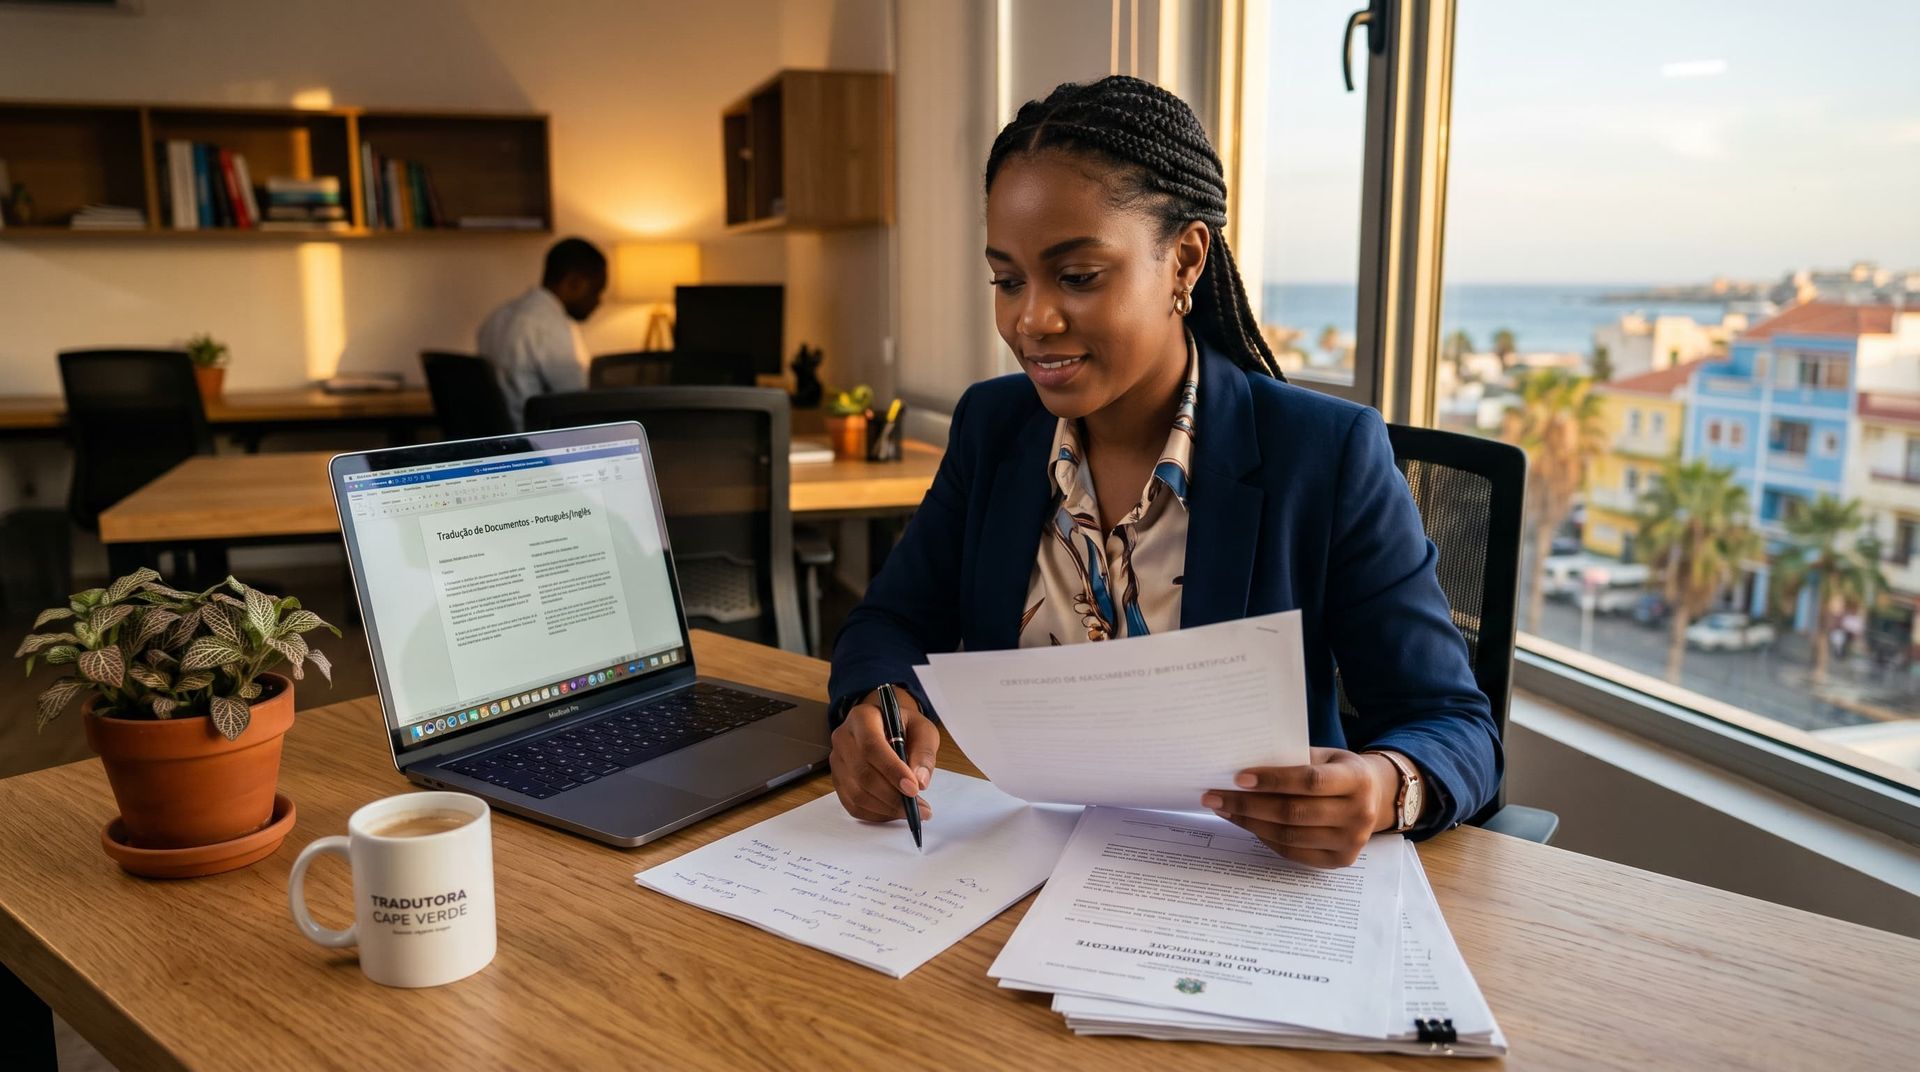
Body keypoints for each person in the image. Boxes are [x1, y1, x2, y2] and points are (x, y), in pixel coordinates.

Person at [826, 77, 1501, 869]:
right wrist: (876, 703)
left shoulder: (1326, 453)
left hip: (1228, 889)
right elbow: (892, 622)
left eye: (1077, 276)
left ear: (1183, 260)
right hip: (1013, 869)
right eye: (1007, 280)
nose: (1030, 320)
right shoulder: (994, 427)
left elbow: (1454, 724)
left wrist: (1385, 785)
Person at [477, 237, 607, 428]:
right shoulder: (549, 325)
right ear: (573, 282)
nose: (599, 302)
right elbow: (578, 401)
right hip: (539, 442)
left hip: (502, 439)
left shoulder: (497, 317)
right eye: (596, 290)